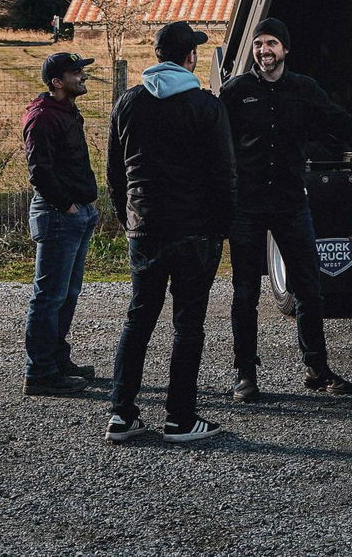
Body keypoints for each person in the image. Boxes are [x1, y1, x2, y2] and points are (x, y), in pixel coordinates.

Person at [221, 17, 352, 403]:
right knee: (244, 293)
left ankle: (317, 369)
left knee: (310, 291)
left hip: (292, 205)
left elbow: (345, 127)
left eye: (272, 44)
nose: (264, 50)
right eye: (259, 44)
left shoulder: (304, 90)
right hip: (246, 208)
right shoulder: (235, 92)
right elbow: (216, 145)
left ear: (286, 49)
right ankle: (244, 375)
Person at [104, 22, 235, 443]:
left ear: (158, 55)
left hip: (146, 227)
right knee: (188, 324)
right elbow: (223, 174)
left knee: (138, 318)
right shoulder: (205, 106)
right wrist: (223, 227)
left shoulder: (128, 102)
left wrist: (130, 220)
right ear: (189, 57)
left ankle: (121, 414)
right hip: (195, 230)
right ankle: (180, 418)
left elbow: (114, 171)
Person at [22, 51, 101, 396]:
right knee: (49, 296)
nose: (82, 76)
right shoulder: (42, 117)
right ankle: (39, 373)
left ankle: (56, 360)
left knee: (66, 293)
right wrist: (67, 205)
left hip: (76, 211)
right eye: (76, 72)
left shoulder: (67, 111)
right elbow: (39, 171)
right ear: (57, 82)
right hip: (58, 215)